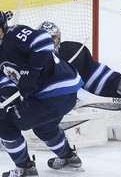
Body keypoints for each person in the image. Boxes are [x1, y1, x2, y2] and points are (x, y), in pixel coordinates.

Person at [0, 11, 84, 176]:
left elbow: (44, 41)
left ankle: (25, 168)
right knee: (45, 127)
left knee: (4, 125)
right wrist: (5, 101)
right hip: (64, 93)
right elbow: (6, 82)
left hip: (53, 93)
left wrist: (30, 72)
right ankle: (69, 158)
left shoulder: (13, 35)